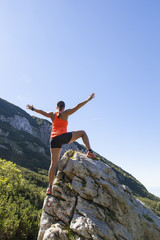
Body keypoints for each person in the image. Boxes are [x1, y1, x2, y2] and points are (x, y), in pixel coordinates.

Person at [26, 93, 96, 195]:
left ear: (56, 107)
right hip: (63, 137)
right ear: (63, 107)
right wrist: (88, 99)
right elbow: (77, 106)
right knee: (83, 133)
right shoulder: (66, 113)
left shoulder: (52, 114)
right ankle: (89, 151)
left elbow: (42, 112)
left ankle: (49, 188)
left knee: (53, 164)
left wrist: (33, 109)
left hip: (53, 140)